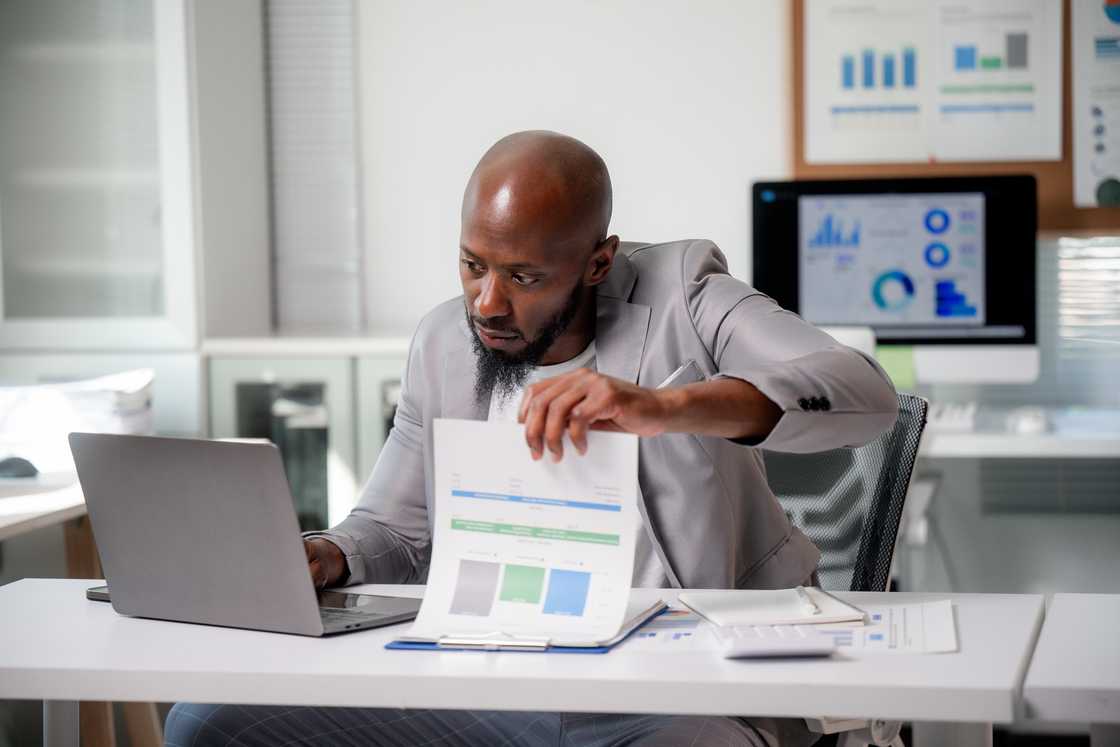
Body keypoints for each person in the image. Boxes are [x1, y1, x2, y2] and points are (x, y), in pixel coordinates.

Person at [165, 131, 898, 746]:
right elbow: (394, 527)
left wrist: (668, 406)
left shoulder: (683, 293)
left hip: (679, 685)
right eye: (472, 264)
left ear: (598, 262)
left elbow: (862, 390)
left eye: (523, 275)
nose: (487, 302)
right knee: (207, 723)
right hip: (498, 677)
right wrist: (330, 553)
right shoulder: (442, 345)